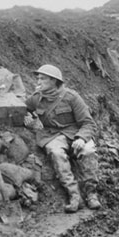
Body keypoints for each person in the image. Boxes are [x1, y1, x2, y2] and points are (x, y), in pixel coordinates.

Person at [23, 64, 101, 213]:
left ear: (53, 81)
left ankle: (91, 193)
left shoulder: (71, 97)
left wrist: (81, 138)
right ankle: (74, 196)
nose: (38, 81)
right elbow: (22, 109)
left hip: (75, 132)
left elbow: (88, 123)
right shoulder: (36, 98)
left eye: (43, 78)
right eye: (38, 78)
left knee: (88, 151)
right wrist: (27, 119)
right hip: (52, 135)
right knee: (56, 153)